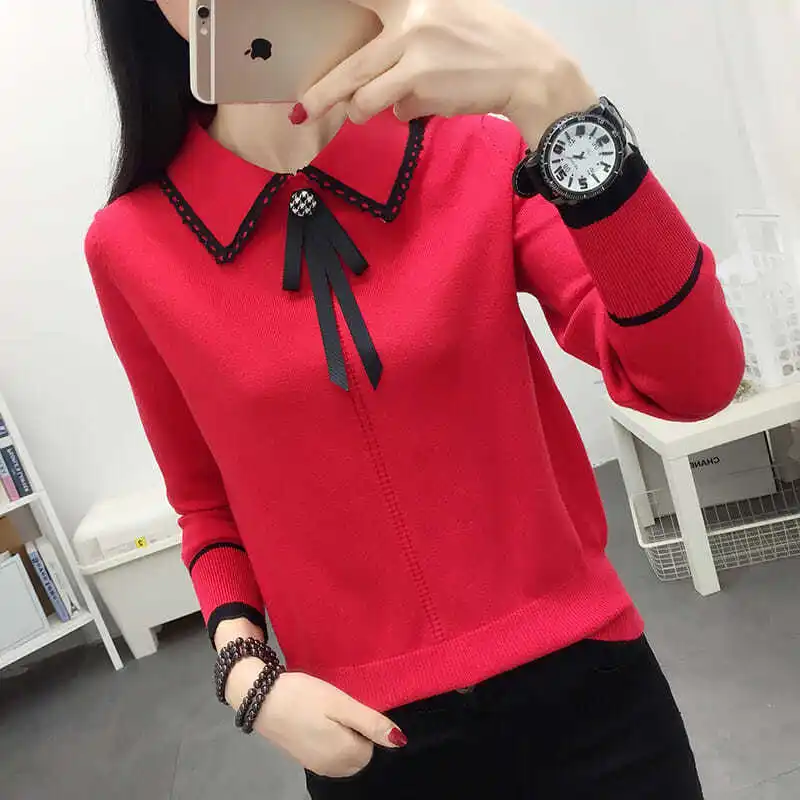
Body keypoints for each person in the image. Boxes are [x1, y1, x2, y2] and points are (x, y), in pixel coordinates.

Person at [87, 1, 744, 797]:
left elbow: (694, 380)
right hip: (367, 745)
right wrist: (246, 676)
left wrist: (563, 104)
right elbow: (205, 504)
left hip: (595, 703)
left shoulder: (474, 148)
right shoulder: (131, 246)